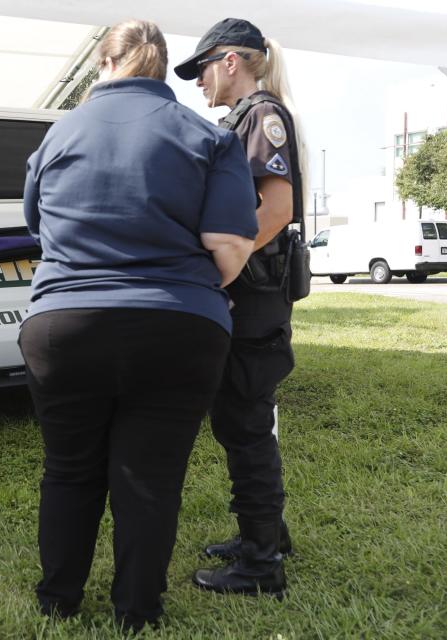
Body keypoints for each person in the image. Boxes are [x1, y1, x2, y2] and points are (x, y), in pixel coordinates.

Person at [19, 20, 258, 630]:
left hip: (64, 323)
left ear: (104, 65)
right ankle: (137, 612)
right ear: (159, 69)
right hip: (177, 326)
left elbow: (40, 230)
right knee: (149, 477)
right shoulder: (206, 135)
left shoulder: (57, 135)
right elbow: (229, 247)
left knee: (69, 467)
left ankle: (59, 600)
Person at [174, 17, 306, 597]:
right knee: (241, 420)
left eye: (202, 67)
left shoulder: (262, 116)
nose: (198, 81)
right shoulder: (243, 117)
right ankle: (267, 535)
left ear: (231, 60)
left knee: (245, 421)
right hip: (250, 293)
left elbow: (275, 209)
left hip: (252, 294)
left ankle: (261, 565)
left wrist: (221, 266)